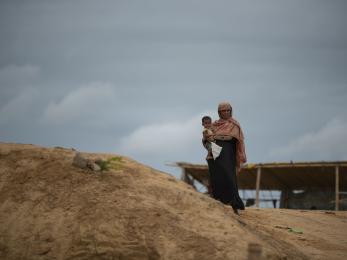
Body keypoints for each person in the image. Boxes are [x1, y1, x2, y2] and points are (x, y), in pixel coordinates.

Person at [207, 102, 247, 215]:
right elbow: (206, 140)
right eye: (223, 111)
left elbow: (231, 137)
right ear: (219, 112)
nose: (225, 113)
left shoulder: (234, 124)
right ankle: (217, 203)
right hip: (215, 155)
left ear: (231, 111)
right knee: (216, 178)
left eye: (227, 110)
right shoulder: (213, 125)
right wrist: (208, 138)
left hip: (228, 155)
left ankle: (235, 205)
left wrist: (215, 136)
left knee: (229, 178)